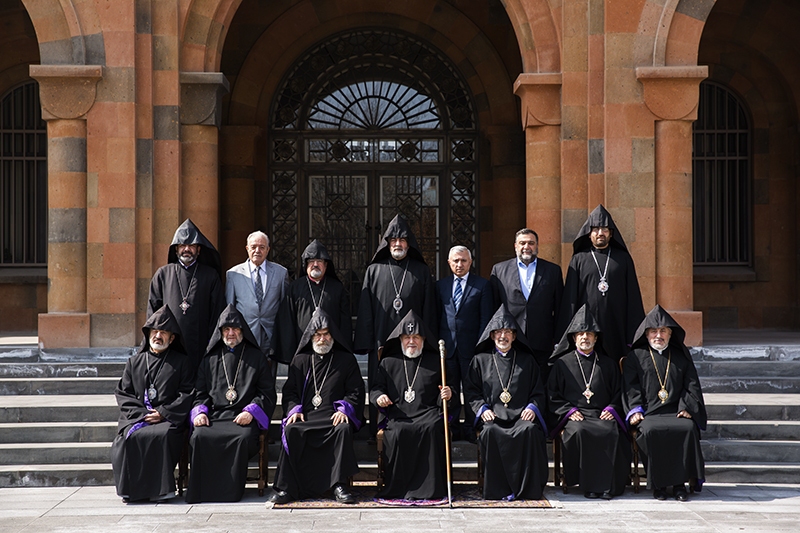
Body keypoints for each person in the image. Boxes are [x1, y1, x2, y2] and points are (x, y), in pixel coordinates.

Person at [270, 308, 364, 504]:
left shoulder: (346, 360)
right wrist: (295, 409)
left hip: (333, 417)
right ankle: (287, 488)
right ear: (311, 337)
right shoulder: (300, 361)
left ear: (333, 335)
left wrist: (344, 408)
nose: (322, 339)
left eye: (326, 334)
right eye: (318, 335)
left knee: (343, 429)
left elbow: (356, 390)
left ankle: (339, 485)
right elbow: (290, 391)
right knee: (291, 430)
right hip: (307, 417)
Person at [355, 214, 437, 436]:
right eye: (393, 241)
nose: (398, 244)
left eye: (402, 241)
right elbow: (366, 309)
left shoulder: (421, 271)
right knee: (380, 384)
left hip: (414, 341)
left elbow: (428, 308)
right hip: (382, 339)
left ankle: (413, 425)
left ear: (408, 244)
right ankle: (377, 431)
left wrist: (428, 340)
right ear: (387, 243)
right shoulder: (374, 270)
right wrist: (367, 341)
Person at [186, 304, 276, 503]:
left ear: (242, 331)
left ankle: (231, 491)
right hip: (216, 417)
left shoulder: (257, 358)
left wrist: (251, 412)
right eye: (226, 329)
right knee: (199, 435)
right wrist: (200, 412)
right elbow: (200, 393)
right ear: (221, 332)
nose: (231, 333)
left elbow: (267, 393)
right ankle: (203, 492)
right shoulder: (209, 359)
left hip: (243, 418)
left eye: (235, 329)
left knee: (243, 438)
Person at [623, 305, 707, 501]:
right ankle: (658, 485)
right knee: (651, 431)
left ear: (670, 334)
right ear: (646, 334)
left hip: (675, 412)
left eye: (663, 331)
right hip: (649, 414)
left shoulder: (680, 356)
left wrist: (687, 407)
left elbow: (691, 385)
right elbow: (630, 386)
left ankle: (679, 485)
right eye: (653, 331)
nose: (658, 335)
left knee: (686, 428)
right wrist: (635, 409)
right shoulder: (636, 357)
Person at [464, 306, 548, 500]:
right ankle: (496, 489)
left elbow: (538, 391)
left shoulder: (527, 361)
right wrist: (482, 409)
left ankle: (527, 488)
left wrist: (532, 407)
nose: (503, 336)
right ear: (492, 336)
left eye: (508, 332)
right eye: (499, 332)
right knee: (490, 431)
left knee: (530, 430)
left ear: (514, 336)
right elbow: (471, 392)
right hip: (493, 417)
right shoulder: (480, 360)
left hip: (521, 417)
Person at [111, 305, 194, 503]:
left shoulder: (182, 362)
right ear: (148, 334)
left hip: (167, 419)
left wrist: (163, 413)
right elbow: (123, 393)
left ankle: (160, 491)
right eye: (154, 331)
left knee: (162, 435)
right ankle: (132, 491)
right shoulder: (134, 362)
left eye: (163, 332)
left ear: (172, 338)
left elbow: (187, 393)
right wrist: (142, 415)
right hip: (139, 417)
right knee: (124, 440)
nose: (158, 336)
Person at [547, 304, 630, 499]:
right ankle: (589, 485)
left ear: (596, 338)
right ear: (574, 338)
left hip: (602, 413)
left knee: (611, 430)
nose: (585, 337)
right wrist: (568, 411)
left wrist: (612, 408)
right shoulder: (562, 363)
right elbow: (552, 395)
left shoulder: (608, 364)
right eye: (581, 334)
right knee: (579, 431)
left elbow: (620, 392)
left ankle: (608, 486)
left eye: (589, 334)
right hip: (576, 416)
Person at [369, 310, 452, 501]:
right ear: (400, 340)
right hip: (399, 414)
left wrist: (448, 394)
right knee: (397, 432)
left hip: (427, 413)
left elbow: (448, 389)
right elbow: (376, 388)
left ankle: (431, 489)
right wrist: (380, 396)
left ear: (423, 339)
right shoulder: (389, 362)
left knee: (432, 429)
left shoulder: (435, 362)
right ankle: (398, 489)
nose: (411, 341)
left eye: (416, 337)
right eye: (407, 337)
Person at [557, 205, 645, 360]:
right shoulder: (578, 259)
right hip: (586, 327)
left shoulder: (623, 259)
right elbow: (570, 299)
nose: (600, 233)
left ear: (611, 234)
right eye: (596, 229)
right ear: (589, 233)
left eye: (604, 229)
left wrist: (634, 333)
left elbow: (633, 297)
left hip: (616, 324)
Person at [147, 219, 225, 369]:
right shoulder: (163, 274)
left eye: (191, 246)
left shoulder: (210, 275)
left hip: (201, 342)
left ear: (199, 249)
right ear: (176, 249)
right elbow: (153, 310)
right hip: (170, 342)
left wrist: (212, 340)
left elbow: (217, 311)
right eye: (182, 245)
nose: (186, 249)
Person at [435, 245, 493, 441]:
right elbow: (436, 318)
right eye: (456, 261)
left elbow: (485, 319)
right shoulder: (440, 285)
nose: (459, 264)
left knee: (471, 390)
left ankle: (470, 428)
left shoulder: (482, 285)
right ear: (449, 263)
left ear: (470, 262)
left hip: (472, 348)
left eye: (463, 260)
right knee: (448, 389)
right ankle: (451, 427)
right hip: (447, 349)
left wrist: (481, 347)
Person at [490, 228, 563, 382]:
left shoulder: (553, 270)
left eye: (531, 243)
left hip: (542, 340)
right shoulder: (499, 270)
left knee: (541, 383)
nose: (526, 247)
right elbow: (494, 308)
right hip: (512, 340)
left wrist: (558, 340)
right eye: (522, 243)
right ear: (515, 246)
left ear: (537, 246)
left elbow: (560, 308)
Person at [273, 239, 351, 364]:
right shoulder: (295, 288)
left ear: (326, 265)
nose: (315, 264)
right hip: (302, 349)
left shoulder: (336, 288)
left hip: (330, 348)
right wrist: (290, 351)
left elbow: (345, 321)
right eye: (311, 261)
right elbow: (287, 321)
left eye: (319, 261)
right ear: (305, 265)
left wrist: (344, 349)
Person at [225, 231, 289, 358]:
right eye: (253, 247)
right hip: (244, 334)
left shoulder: (281, 273)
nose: (257, 251)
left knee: (269, 374)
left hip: (271, 334)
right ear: (247, 249)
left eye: (262, 247)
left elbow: (284, 308)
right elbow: (229, 309)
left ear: (268, 249)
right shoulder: (233, 274)